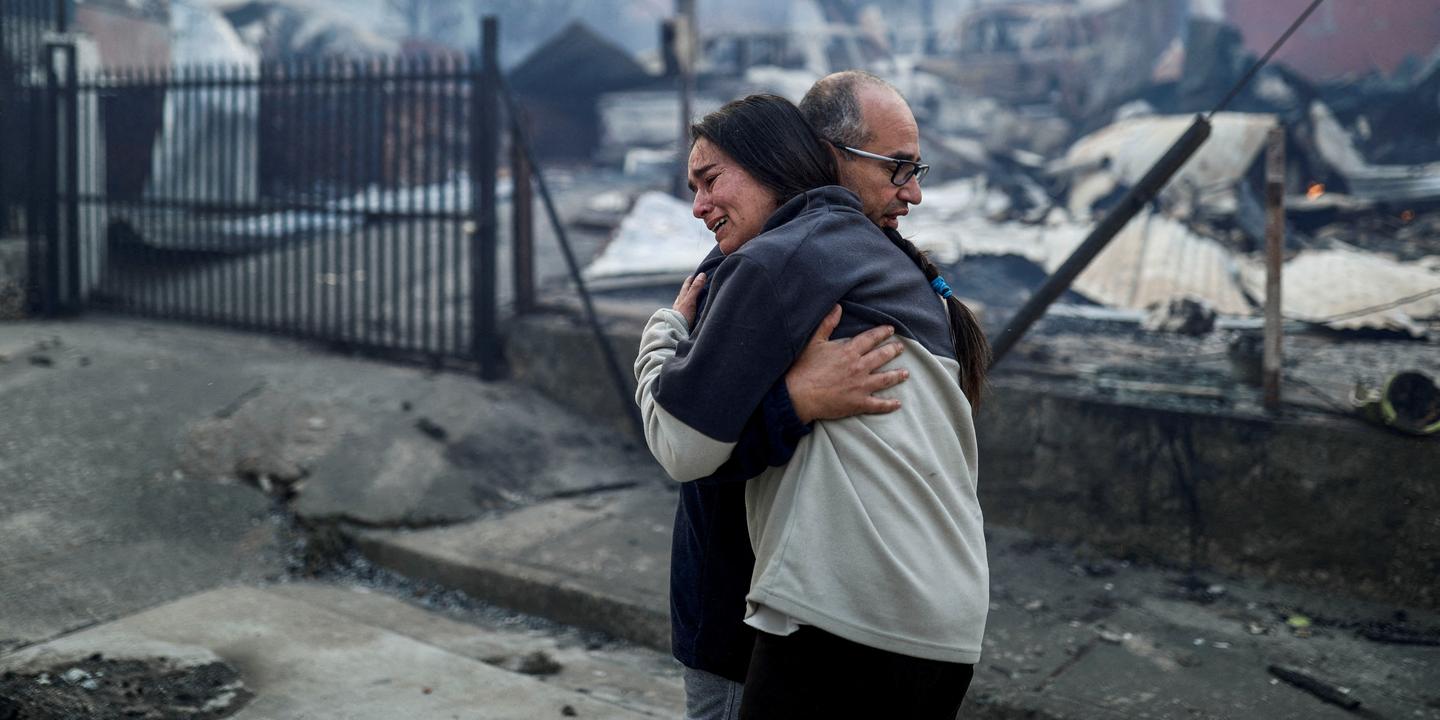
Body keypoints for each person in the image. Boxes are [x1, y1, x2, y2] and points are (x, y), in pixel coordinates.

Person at [635, 90, 990, 717]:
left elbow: (684, 446)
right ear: (827, 157)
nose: (912, 192)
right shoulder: (885, 274)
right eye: (897, 167)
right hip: (948, 621)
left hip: (833, 617)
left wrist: (662, 333)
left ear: (784, 159)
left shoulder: (773, 263)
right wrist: (794, 401)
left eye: (710, 179)